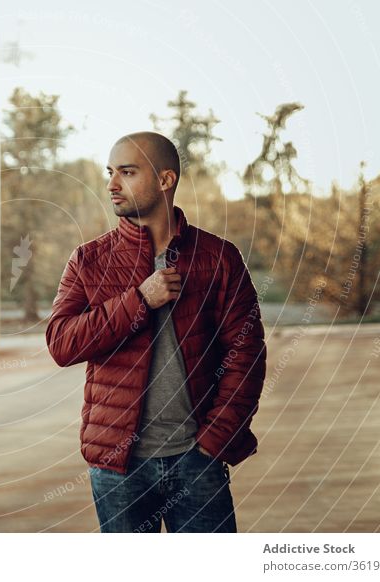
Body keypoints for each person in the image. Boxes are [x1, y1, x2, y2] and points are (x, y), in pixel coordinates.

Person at [45, 131, 267, 533]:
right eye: (109, 172)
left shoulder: (218, 258)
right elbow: (61, 343)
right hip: (118, 468)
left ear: (166, 180)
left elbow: (247, 355)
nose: (112, 184)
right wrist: (138, 300)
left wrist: (213, 442)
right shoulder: (89, 260)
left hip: (197, 460)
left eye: (127, 172)